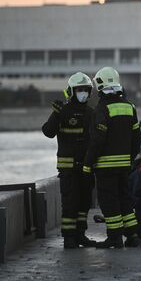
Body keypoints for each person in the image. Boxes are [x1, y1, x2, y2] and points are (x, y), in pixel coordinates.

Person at [83, 66, 141, 249]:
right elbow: (137, 137)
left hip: (105, 166)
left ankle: (114, 238)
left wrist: (88, 163)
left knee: (109, 201)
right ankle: (132, 235)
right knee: (125, 199)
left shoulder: (101, 109)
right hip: (124, 165)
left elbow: (97, 140)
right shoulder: (130, 107)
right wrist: (130, 158)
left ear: (100, 85)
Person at [42, 72, 96, 249]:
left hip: (86, 168)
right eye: (80, 90)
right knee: (70, 204)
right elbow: (48, 132)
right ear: (71, 91)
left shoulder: (91, 113)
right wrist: (55, 115)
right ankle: (69, 238)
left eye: (86, 90)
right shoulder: (63, 111)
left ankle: (81, 235)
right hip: (69, 169)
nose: (83, 93)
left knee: (84, 203)